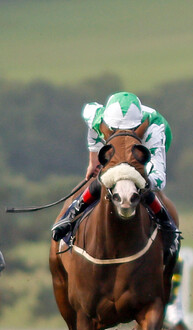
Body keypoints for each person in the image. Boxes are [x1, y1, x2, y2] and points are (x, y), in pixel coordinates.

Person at [50, 92, 180, 264]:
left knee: (140, 183)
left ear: (137, 126)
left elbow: (159, 180)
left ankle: (168, 227)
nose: (123, 133)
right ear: (108, 123)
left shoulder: (154, 129)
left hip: (145, 145)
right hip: (114, 144)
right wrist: (93, 161)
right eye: (115, 129)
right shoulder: (97, 116)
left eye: (129, 130)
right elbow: (92, 129)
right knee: (103, 178)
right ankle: (70, 216)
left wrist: (133, 176)